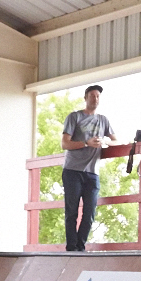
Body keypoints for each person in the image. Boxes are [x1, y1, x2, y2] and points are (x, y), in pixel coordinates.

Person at [61, 84, 116, 252]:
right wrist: (86, 143)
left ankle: (80, 246)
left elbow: (116, 141)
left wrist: (104, 142)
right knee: (72, 211)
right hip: (73, 170)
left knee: (90, 211)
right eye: (92, 95)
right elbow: (65, 143)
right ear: (85, 98)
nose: (95, 98)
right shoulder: (74, 117)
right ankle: (72, 248)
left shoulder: (103, 120)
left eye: (98, 96)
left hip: (92, 172)